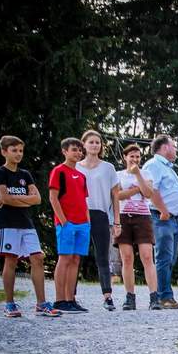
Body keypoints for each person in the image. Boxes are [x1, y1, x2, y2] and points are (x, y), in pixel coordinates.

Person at [0, 135, 61, 317]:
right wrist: (22, 200)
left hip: (26, 224)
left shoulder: (25, 175)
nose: (18, 154)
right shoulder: (0, 173)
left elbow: (37, 199)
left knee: (38, 257)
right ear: (4, 152)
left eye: (21, 151)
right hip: (8, 224)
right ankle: (9, 304)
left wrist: (13, 199)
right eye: (14, 150)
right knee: (11, 260)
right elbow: (4, 198)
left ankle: (41, 303)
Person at [77, 130, 121, 311]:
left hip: (101, 214)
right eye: (91, 142)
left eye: (98, 142)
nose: (95, 145)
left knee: (103, 257)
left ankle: (107, 296)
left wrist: (117, 221)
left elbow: (115, 196)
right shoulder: (76, 166)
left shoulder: (108, 168)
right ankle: (70, 296)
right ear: (84, 144)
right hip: (79, 214)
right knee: (75, 256)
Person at [142, 134, 178, 309]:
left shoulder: (167, 167)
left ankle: (166, 294)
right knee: (163, 257)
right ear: (165, 147)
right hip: (162, 218)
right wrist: (163, 210)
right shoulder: (154, 165)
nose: (175, 149)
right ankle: (163, 297)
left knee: (170, 259)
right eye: (174, 146)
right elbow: (152, 189)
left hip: (174, 219)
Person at [115, 144, 161, 310]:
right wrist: (137, 189)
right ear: (125, 157)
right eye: (131, 156)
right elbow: (118, 195)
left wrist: (138, 176)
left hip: (143, 218)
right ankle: (130, 297)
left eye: (137, 157)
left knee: (147, 257)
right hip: (123, 217)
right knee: (127, 258)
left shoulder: (146, 173)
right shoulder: (118, 175)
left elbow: (148, 193)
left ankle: (154, 297)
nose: (135, 159)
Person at [48, 137, 91, 313]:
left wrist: (88, 220)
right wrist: (63, 220)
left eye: (80, 150)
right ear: (65, 151)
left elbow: (83, 200)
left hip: (83, 223)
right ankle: (59, 300)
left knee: (75, 259)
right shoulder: (59, 171)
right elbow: (53, 197)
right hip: (67, 223)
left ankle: (70, 299)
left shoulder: (82, 176)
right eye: (74, 149)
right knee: (64, 258)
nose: (78, 153)